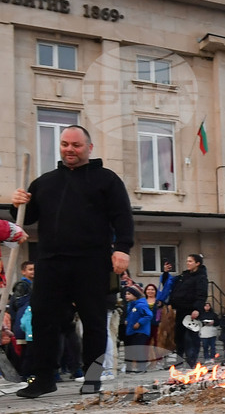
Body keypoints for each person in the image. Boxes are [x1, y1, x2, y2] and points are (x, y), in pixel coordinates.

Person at [10, 125, 133, 398]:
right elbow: (26, 218)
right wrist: (16, 203)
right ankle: (43, 379)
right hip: (51, 262)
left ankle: (92, 378)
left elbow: (123, 217)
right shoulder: (44, 182)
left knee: (93, 321)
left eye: (76, 145)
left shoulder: (106, 179)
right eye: (65, 144)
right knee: (43, 319)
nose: (70, 149)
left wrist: (122, 248)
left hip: (92, 262)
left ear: (89, 148)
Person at [169, 254, 209, 368]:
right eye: (187, 261)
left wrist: (197, 308)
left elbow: (202, 294)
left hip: (191, 311)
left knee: (192, 336)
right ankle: (179, 358)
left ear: (197, 263)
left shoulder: (201, 277)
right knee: (179, 335)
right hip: (181, 309)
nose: (188, 263)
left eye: (190, 261)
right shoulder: (184, 275)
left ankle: (192, 359)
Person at [123, 285, 152, 373]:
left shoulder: (141, 305)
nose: (126, 296)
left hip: (141, 331)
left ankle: (142, 368)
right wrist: (127, 320)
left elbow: (149, 315)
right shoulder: (131, 305)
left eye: (129, 294)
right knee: (131, 349)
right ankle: (129, 368)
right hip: (132, 331)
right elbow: (130, 315)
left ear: (135, 295)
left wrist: (139, 322)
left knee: (139, 349)